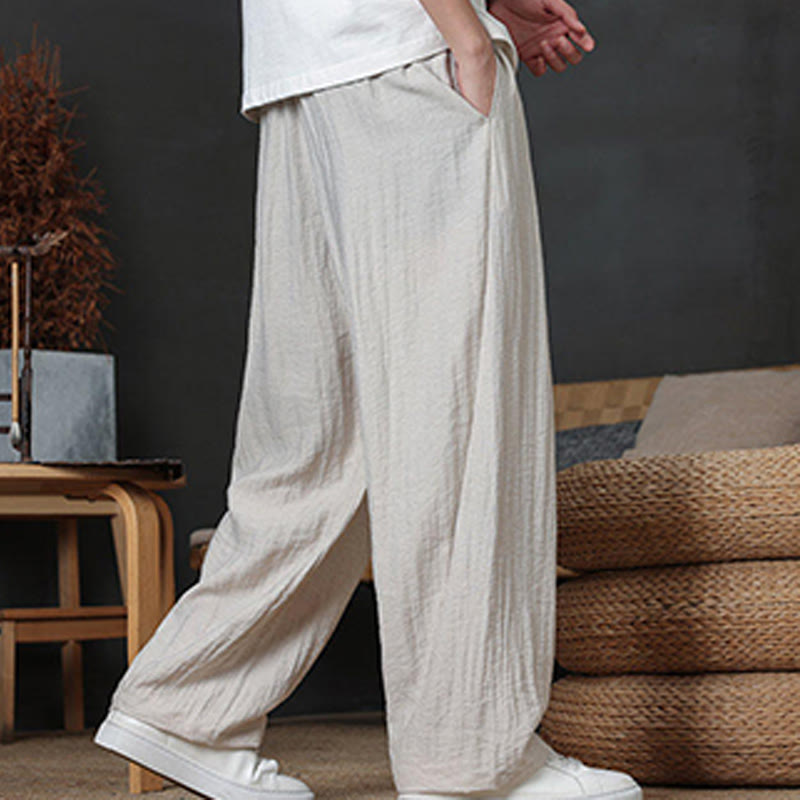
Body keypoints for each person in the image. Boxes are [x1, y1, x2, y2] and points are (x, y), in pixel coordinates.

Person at [94, 1, 643, 798]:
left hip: (307, 72)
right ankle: (470, 761)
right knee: (456, 419)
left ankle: (189, 706)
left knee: (320, 432)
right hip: (409, 59)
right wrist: (466, 34)